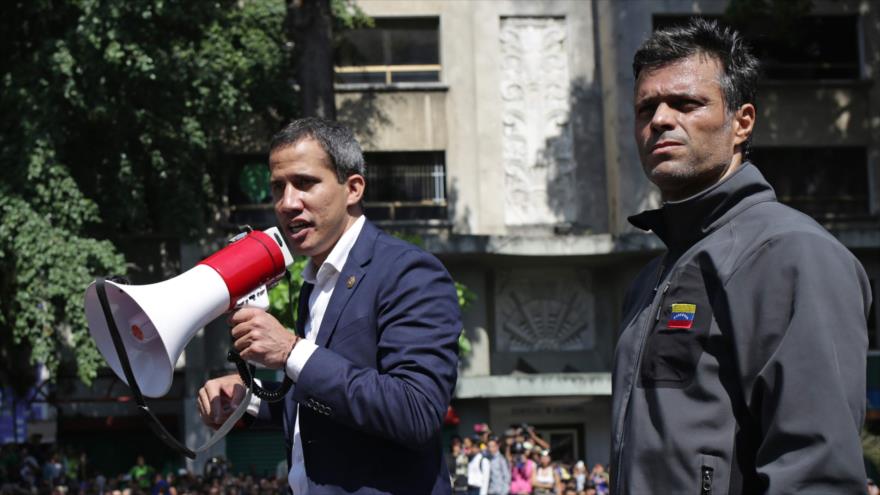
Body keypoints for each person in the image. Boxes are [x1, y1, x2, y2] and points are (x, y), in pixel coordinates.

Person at [611, 17, 871, 494]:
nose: (661, 120)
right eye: (646, 107)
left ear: (742, 122)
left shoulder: (793, 254)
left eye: (686, 103)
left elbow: (817, 471)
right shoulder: (651, 279)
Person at [196, 117, 461, 494]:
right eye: (277, 187)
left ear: (353, 188)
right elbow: (323, 399)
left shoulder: (409, 272)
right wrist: (249, 399)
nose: (287, 203)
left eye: (305, 183)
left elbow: (415, 411)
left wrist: (291, 350)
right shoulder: (316, 282)